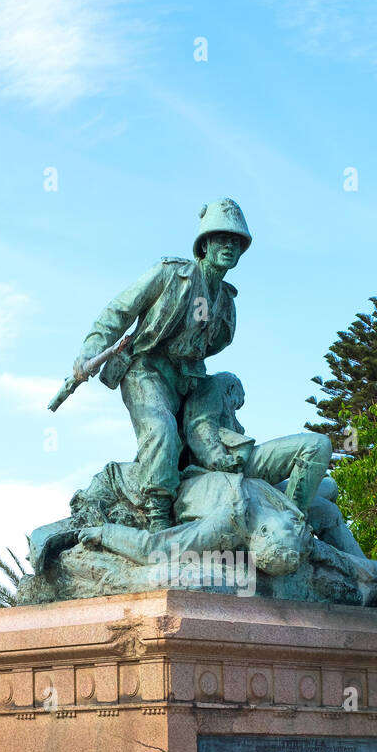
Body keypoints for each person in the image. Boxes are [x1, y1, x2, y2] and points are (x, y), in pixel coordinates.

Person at [70, 199, 252, 530]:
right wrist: (91, 350)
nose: (229, 245)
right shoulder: (170, 274)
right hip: (147, 369)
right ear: (205, 244)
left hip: (189, 380)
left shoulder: (226, 302)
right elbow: (119, 311)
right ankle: (157, 521)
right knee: (161, 430)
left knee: (203, 438)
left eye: (236, 241)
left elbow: (212, 344)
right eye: (221, 238)